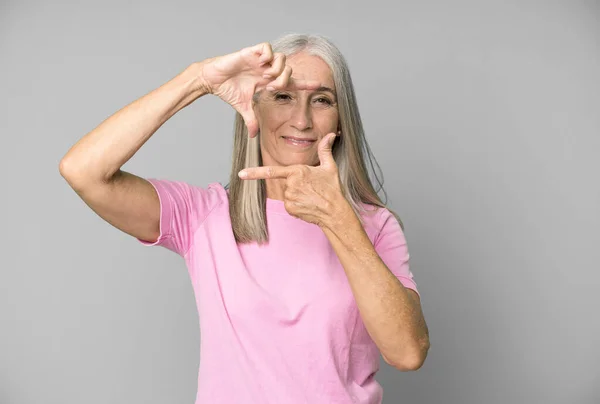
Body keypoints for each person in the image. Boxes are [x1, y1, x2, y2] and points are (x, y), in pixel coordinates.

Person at [59, 33, 430, 404]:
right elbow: (83, 170)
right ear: (254, 108)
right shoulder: (204, 216)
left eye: (321, 100)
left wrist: (339, 220)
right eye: (283, 96)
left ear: (341, 121)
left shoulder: (374, 226)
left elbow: (407, 353)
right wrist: (199, 79)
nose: (301, 120)